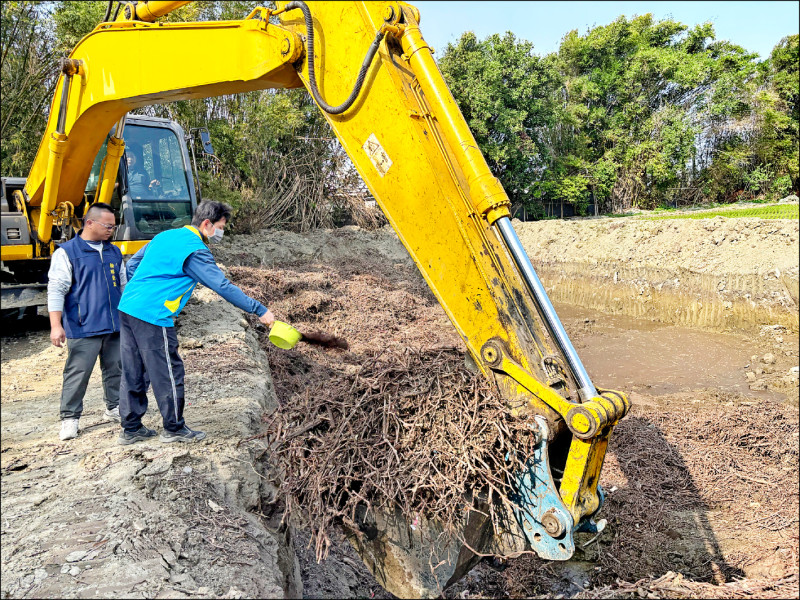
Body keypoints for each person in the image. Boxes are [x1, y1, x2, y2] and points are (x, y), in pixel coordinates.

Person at [116, 200, 275, 445]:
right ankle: (173, 427)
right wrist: (259, 309)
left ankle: (131, 428)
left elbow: (134, 264)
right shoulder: (195, 250)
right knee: (168, 370)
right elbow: (221, 286)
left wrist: (146, 288)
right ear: (207, 224)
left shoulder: (166, 235)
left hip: (128, 307)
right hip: (153, 314)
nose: (221, 232)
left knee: (133, 367)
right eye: (221, 226)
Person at [48, 202, 126, 441]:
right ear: (89, 223)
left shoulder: (113, 251)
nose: (111, 230)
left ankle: (114, 407)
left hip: (114, 324)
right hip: (84, 326)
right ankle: (70, 418)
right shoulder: (67, 252)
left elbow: (123, 286)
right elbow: (56, 289)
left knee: (116, 369)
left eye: (113, 226)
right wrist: (56, 325)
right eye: (107, 225)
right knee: (78, 373)